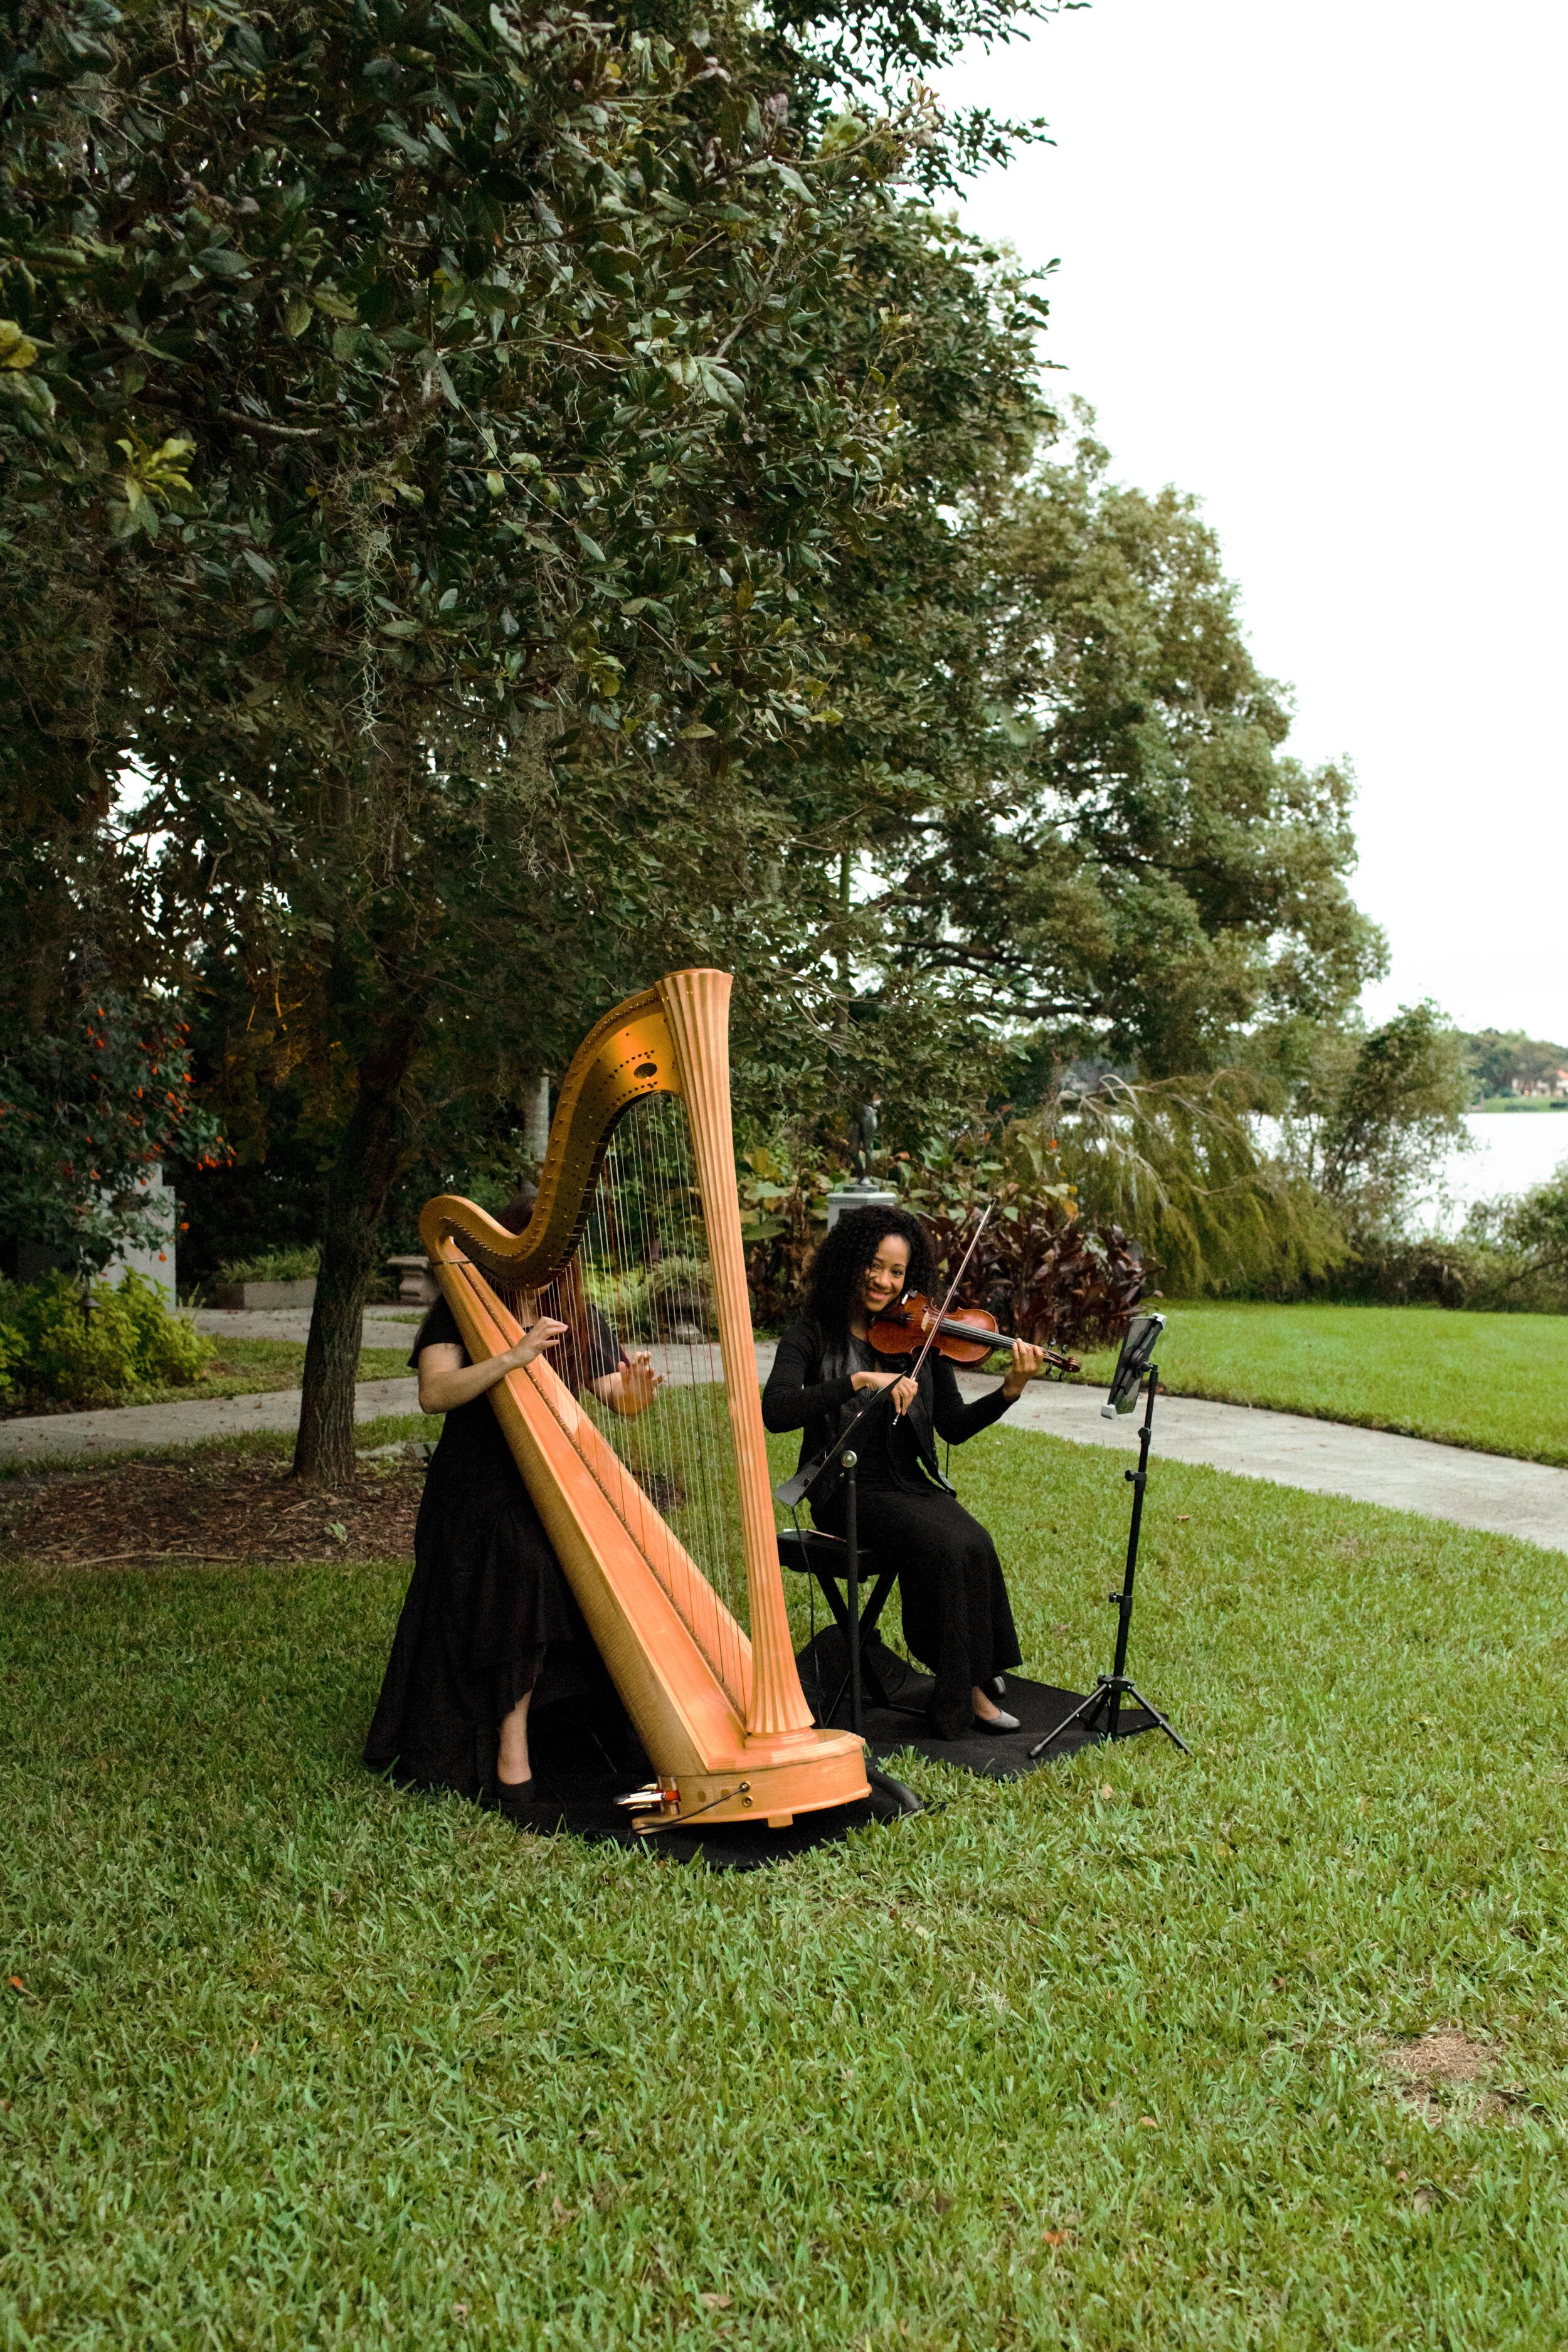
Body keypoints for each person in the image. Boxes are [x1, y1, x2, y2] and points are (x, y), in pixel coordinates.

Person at [364, 1194, 664, 1823]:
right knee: (526, 1563)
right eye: (534, 1256)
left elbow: (616, 1398)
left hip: (555, 1483)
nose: (547, 1270)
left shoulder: (580, 1318)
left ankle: (584, 1724)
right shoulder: (463, 1312)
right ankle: (511, 1744)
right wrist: (512, 1357)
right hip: (476, 1488)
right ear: (507, 1255)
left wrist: (634, 1393)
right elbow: (435, 1394)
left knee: (609, 1555)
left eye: (556, 1258)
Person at [761, 1204, 1045, 1740]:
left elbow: (954, 1427)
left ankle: (975, 1673)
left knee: (974, 1542)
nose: (884, 1281)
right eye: (875, 1265)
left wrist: (1009, 1391)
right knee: (941, 1546)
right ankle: (967, 1693)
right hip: (843, 1489)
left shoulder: (921, 1338)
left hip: (908, 1485)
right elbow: (775, 1411)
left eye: (897, 1272)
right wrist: (857, 1382)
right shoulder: (811, 1336)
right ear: (849, 1260)